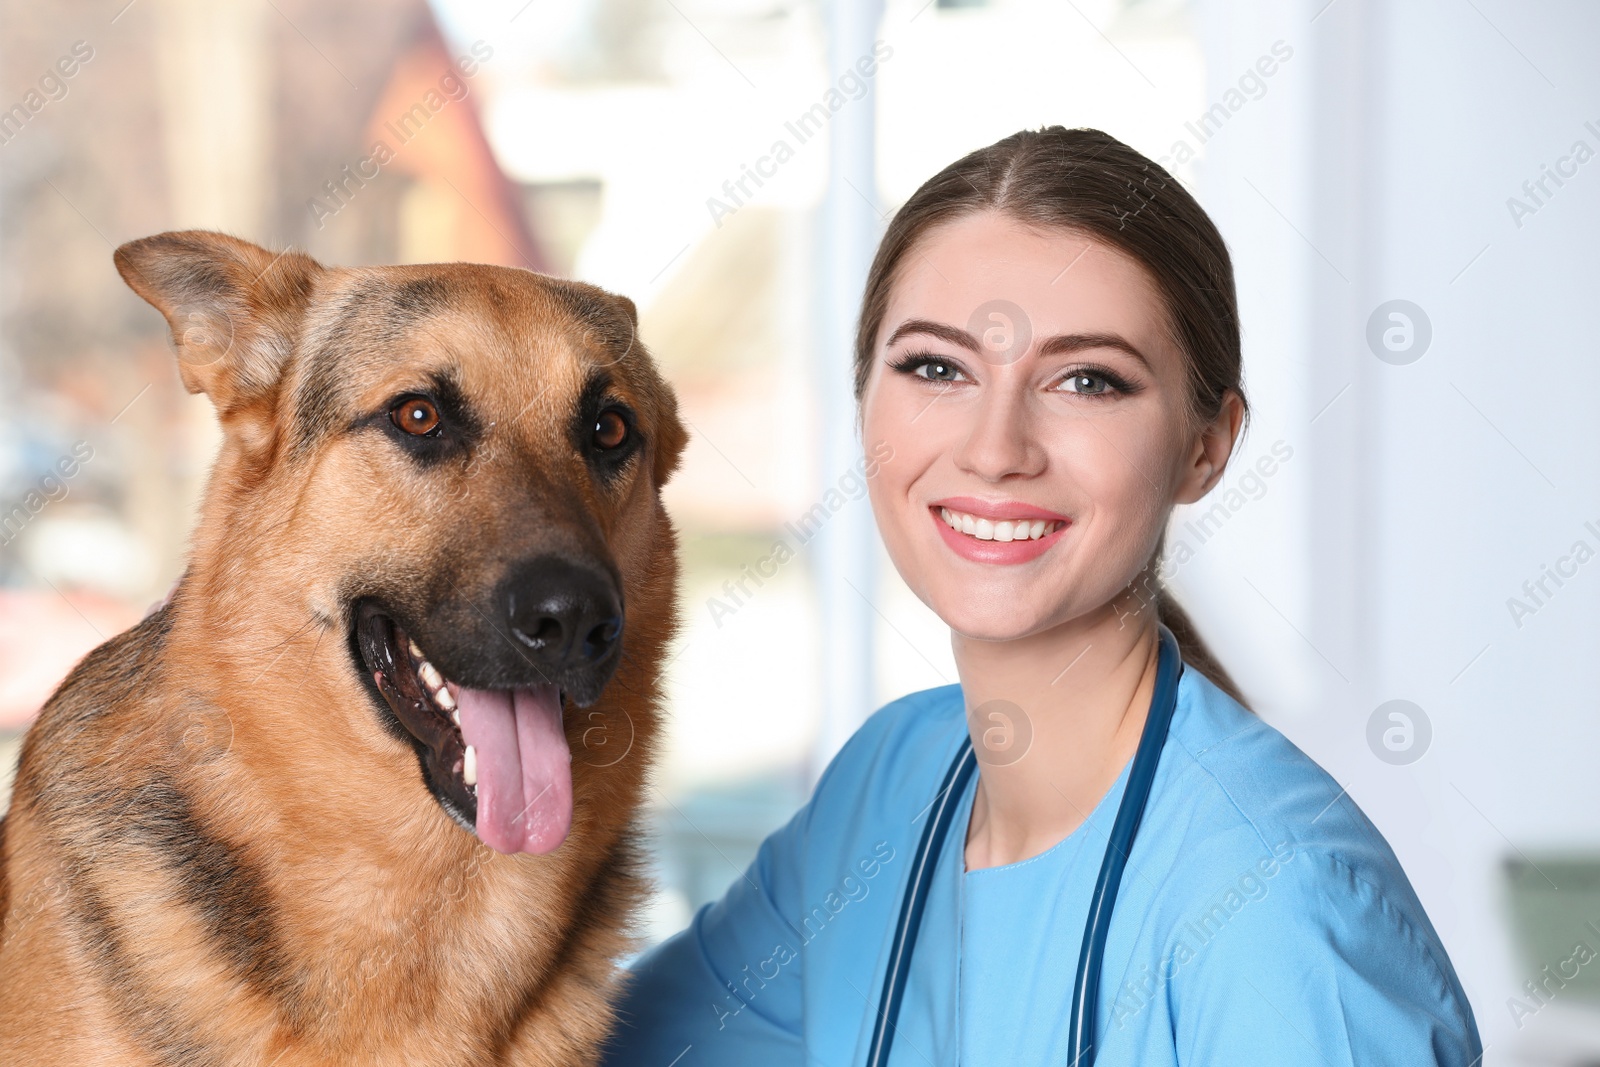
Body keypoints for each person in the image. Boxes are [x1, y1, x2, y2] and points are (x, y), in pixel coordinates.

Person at [600, 127, 1482, 1065]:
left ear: (1206, 445)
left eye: (1087, 380)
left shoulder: (1278, 904)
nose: (995, 446)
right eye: (937, 368)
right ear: (864, 396)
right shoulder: (889, 784)